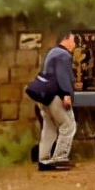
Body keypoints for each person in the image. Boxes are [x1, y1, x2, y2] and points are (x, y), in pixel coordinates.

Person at [35, 30, 78, 171]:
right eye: (73, 40)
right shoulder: (63, 54)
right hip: (56, 96)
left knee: (49, 128)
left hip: (44, 96)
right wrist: (66, 94)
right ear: (65, 38)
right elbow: (62, 76)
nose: (75, 44)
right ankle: (60, 158)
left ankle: (44, 160)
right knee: (69, 124)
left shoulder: (52, 53)